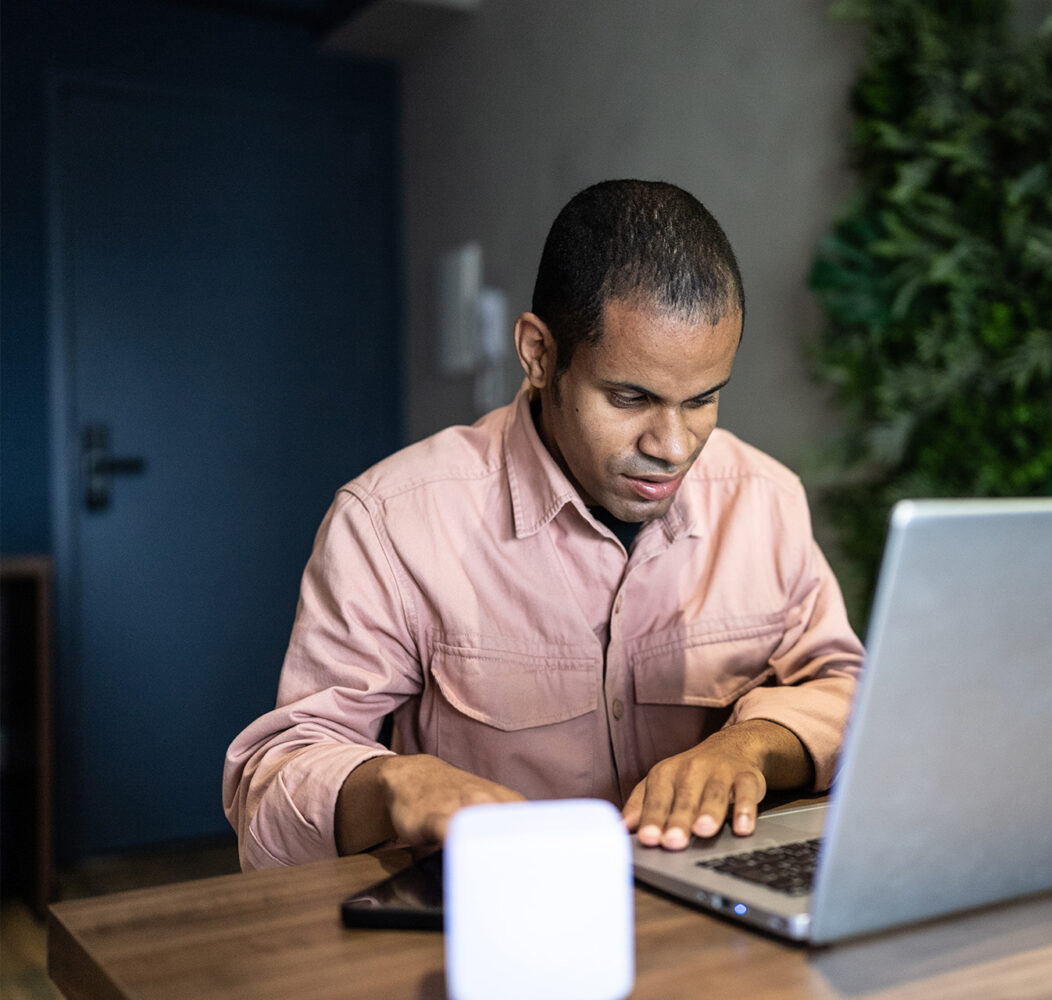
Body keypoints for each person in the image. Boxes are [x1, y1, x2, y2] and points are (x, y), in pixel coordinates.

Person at [223, 180, 864, 870]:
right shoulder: (390, 523)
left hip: (714, 925)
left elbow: (851, 694)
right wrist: (394, 785)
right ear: (538, 354)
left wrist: (751, 747)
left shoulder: (765, 500)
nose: (674, 447)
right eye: (630, 397)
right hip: (495, 930)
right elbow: (270, 788)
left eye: (703, 400)